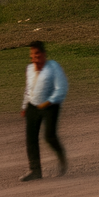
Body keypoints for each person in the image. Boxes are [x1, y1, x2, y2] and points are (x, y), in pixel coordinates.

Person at [19, 40, 68, 181]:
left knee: (49, 136)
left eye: (37, 54)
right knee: (31, 139)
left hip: (50, 106)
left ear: (44, 54)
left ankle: (61, 156)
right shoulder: (29, 69)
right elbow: (28, 89)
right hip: (33, 107)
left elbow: (61, 87)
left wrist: (49, 102)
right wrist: (24, 106)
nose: (34, 57)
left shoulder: (53, 68)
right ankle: (35, 171)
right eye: (32, 54)